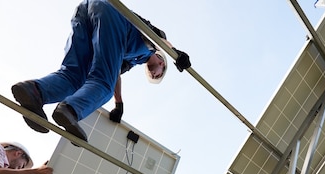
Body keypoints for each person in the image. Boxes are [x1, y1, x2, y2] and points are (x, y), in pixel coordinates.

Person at [11, 0, 191, 141]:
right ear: (162, 62)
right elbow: (161, 40)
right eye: (159, 73)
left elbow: (115, 74)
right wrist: (175, 53)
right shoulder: (152, 46)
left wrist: (119, 104)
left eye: (154, 77)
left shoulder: (131, 60)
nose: (154, 74)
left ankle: (34, 91)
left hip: (87, 10)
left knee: (74, 75)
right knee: (102, 84)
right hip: (113, 16)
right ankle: (70, 110)